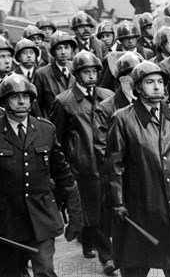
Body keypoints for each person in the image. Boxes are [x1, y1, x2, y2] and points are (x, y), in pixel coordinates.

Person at [0, 73, 83, 277]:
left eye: (26, 96)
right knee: (10, 272)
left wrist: (76, 215)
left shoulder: (45, 129)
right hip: (5, 220)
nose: (22, 101)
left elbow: (64, 176)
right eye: (15, 97)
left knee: (45, 269)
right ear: (4, 102)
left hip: (41, 216)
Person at [106, 60, 170, 277]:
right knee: (136, 266)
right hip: (140, 207)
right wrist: (117, 202)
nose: (156, 87)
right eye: (149, 82)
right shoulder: (122, 118)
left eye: (160, 82)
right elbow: (114, 165)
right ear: (137, 87)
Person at [50, 51, 116, 275]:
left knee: (103, 209)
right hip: (81, 165)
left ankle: (88, 240)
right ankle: (108, 257)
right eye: (86, 72)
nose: (91, 76)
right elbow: (56, 139)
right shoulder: (64, 101)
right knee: (91, 209)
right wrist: (63, 168)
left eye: (94, 71)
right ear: (76, 75)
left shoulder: (107, 95)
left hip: (106, 162)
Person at [33, 31, 77, 118]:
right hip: (53, 122)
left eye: (66, 47)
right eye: (59, 48)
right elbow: (37, 105)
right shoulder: (42, 74)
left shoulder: (77, 68)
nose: (63, 52)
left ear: (71, 49)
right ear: (53, 52)